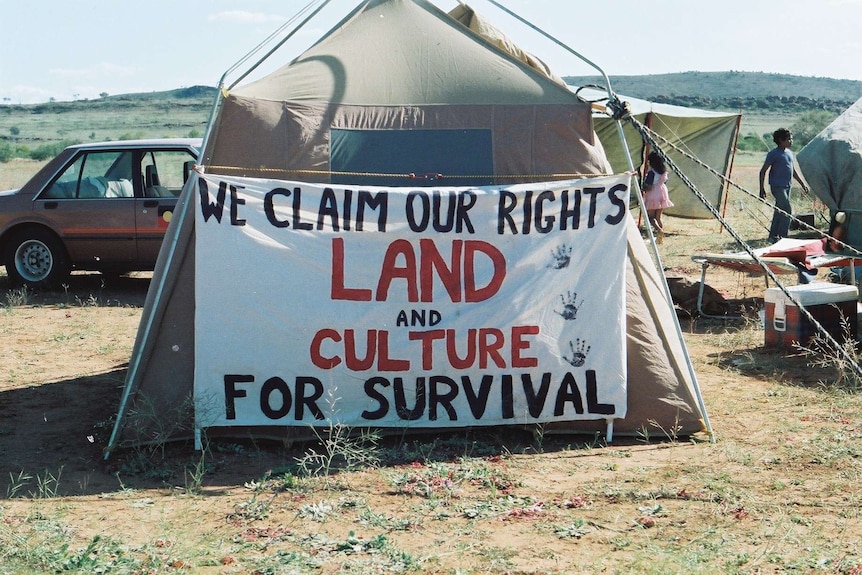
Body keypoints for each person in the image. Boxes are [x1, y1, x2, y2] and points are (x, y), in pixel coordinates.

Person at [759, 128, 809, 243]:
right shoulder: (773, 154)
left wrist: (802, 184)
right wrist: (762, 189)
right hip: (777, 186)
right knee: (787, 210)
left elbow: (793, 171)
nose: (791, 141)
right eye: (789, 139)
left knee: (779, 211)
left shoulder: (789, 153)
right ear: (781, 140)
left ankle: (773, 236)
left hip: (787, 186)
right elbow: (763, 171)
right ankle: (783, 238)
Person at [642, 151, 673, 240]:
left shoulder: (652, 173)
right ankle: (660, 237)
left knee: (651, 217)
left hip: (653, 194)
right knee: (658, 217)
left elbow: (649, 186)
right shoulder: (664, 172)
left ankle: (659, 230)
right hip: (663, 192)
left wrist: (643, 188)